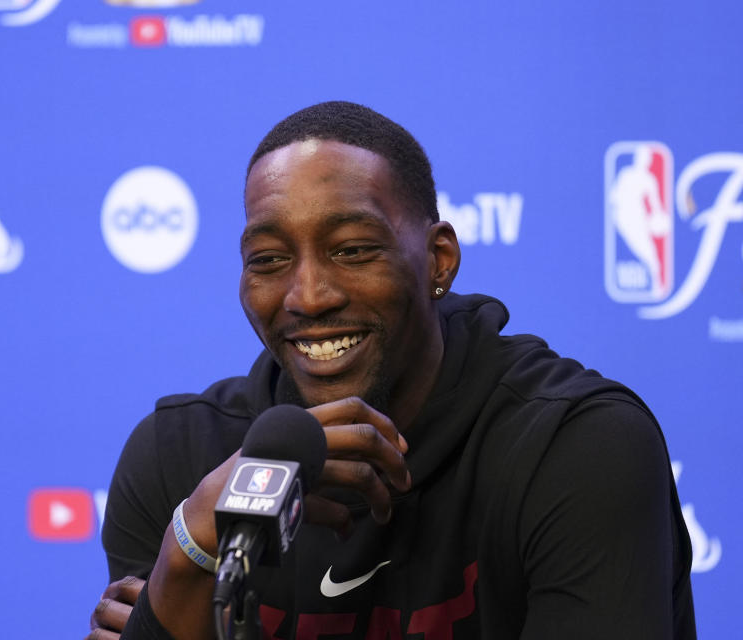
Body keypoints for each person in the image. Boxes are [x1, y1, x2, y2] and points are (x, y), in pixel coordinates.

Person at [87, 101, 696, 639]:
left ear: (439, 260)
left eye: (352, 249)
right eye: (268, 259)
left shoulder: (576, 447)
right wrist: (188, 551)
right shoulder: (180, 459)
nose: (309, 295)